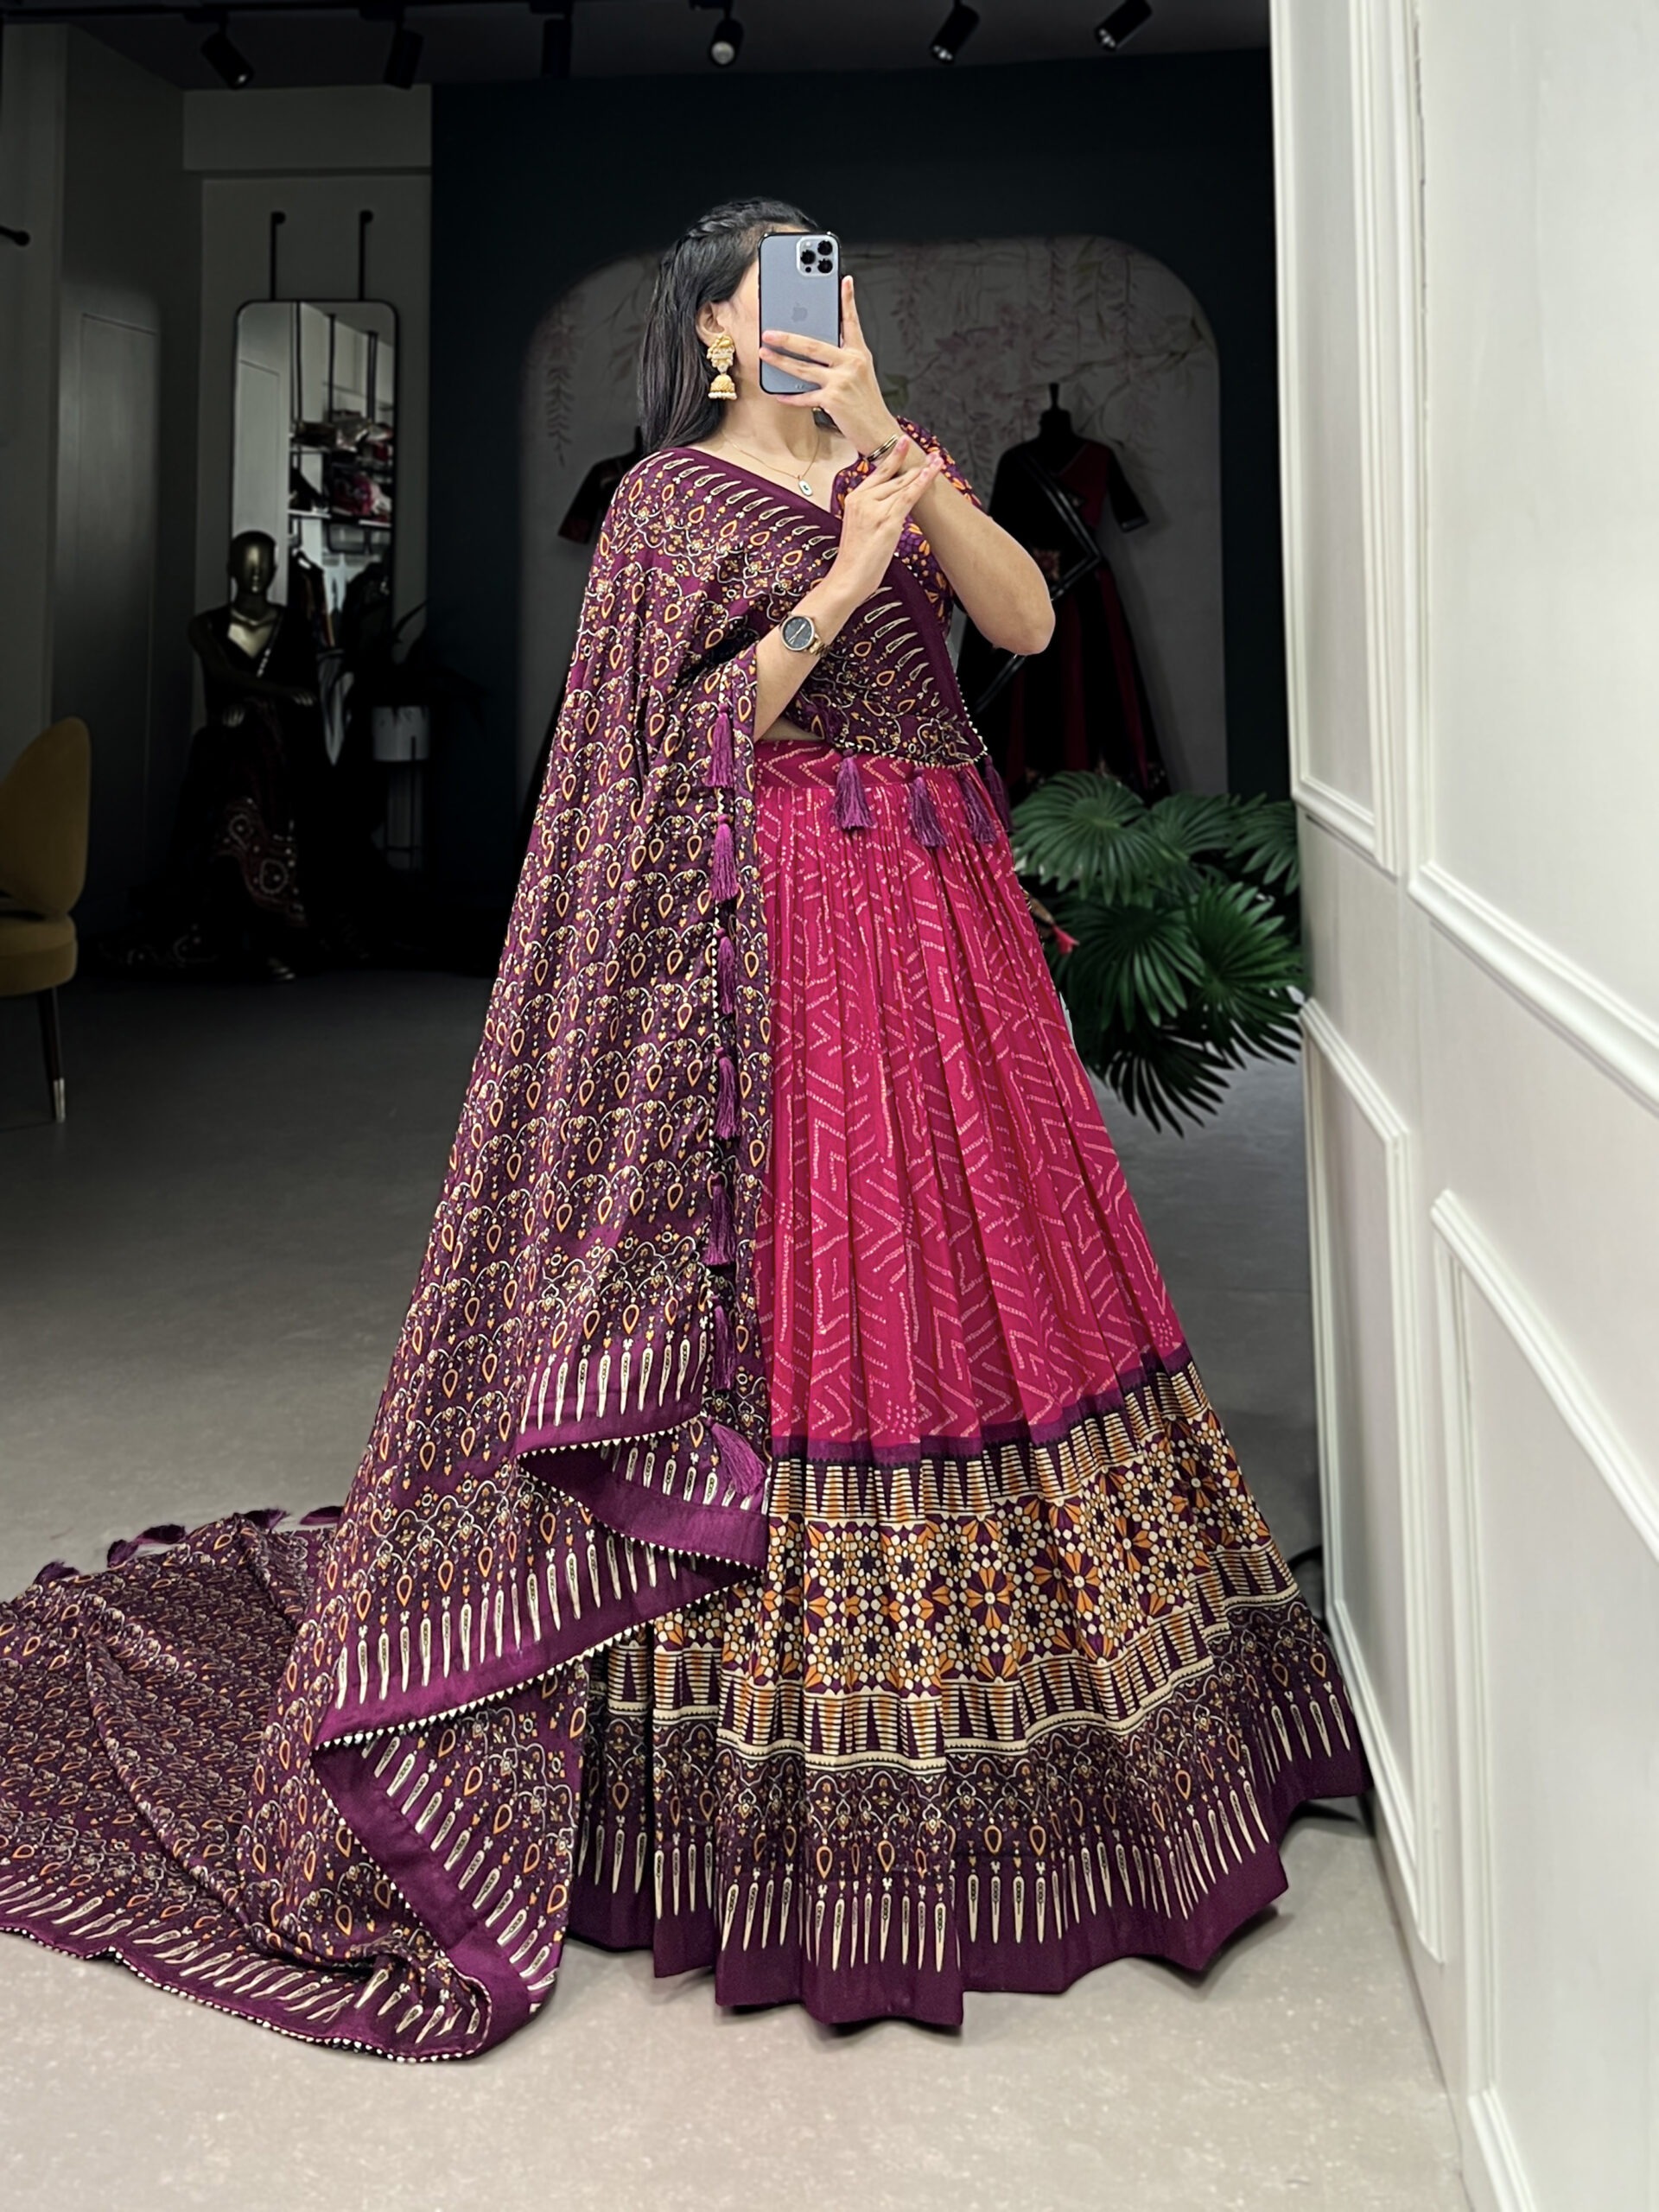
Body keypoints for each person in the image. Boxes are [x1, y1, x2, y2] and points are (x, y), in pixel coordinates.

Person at [0, 200, 1366, 2057]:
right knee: (818, 1295)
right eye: (784, 288)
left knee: (994, 1277)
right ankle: (776, 1789)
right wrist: (838, 578)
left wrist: (891, 458)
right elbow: (665, 741)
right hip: (787, 929)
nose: (821, 305)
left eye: (839, 277)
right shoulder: (665, 503)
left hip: (949, 917)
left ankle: (1089, 1732)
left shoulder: (893, 450)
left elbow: (1028, 623)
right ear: (716, 332)